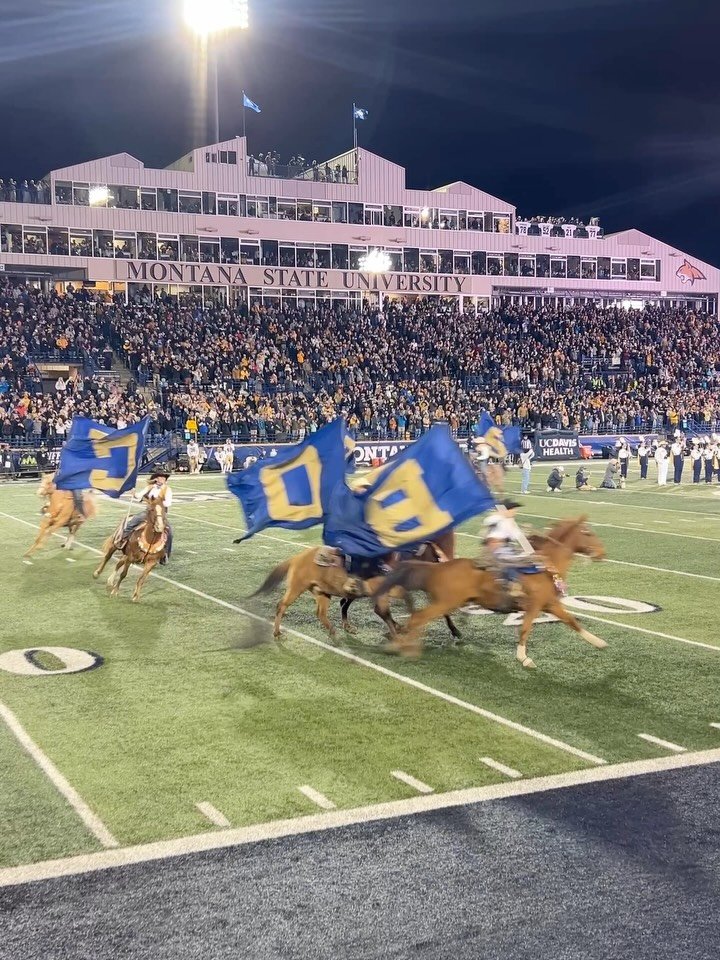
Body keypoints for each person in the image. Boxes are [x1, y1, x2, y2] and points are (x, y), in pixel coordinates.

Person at [118, 468, 173, 563]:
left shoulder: (167, 490)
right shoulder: (150, 487)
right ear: (156, 478)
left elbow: (168, 503)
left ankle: (165, 554)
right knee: (132, 522)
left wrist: (158, 502)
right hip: (149, 512)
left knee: (170, 532)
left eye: (164, 478)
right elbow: (139, 496)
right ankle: (123, 540)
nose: (162, 480)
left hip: (160, 514)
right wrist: (134, 494)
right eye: (160, 477)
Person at [483, 498, 533, 599]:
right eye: (513, 510)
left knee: (523, 559)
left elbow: (518, 536)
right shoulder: (497, 518)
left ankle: (511, 582)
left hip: (506, 547)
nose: (515, 512)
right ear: (507, 510)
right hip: (496, 547)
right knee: (511, 561)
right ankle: (514, 586)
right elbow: (487, 521)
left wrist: (529, 550)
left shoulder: (509, 521)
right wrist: (502, 515)